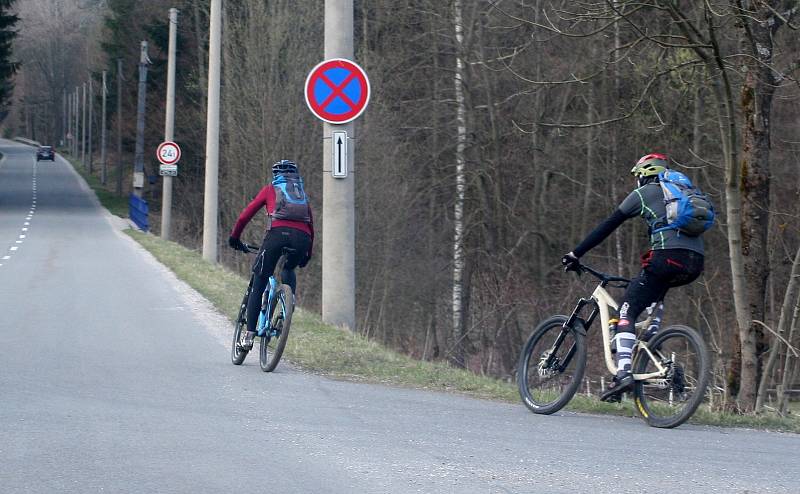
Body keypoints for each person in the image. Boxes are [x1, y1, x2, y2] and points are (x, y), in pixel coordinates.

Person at [561, 153, 705, 401]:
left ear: (643, 175)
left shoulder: (645, 193)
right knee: (652, 301)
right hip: (694, 262)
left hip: (665, 257)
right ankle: (659, 354)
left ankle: (623, 375)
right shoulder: (683, 194)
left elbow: (608, 225)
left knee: (625, 313)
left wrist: (576, 253)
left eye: (637, 176)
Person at [228, 159, 314, 350]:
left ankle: (249, 336)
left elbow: (245, 215)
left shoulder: (270, 189)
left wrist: (235, 237)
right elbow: (310, 225)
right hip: (303, 239)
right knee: (289, 268)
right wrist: (308, 253)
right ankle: (287, 305)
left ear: (276, 175)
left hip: (276, 235)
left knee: (260, 280)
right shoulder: (301, 195)